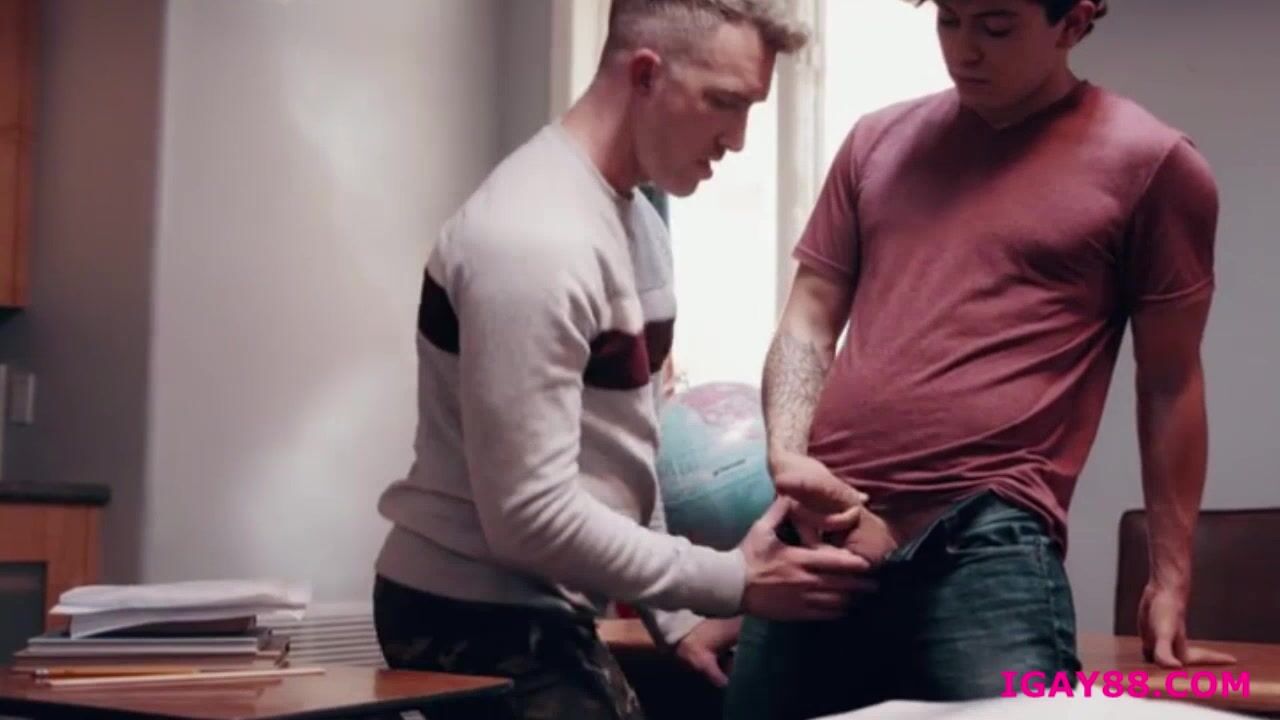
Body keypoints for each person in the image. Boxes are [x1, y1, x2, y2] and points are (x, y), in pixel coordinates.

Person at [726, 1, 1235, 718]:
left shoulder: (1153, 165)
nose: (964, 50)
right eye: (949, 21)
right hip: (824, 534)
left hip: (985, 541)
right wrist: (786, 455)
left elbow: (1170, 382)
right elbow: (808, 318)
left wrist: (1171, 578)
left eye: (996, 28)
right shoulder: (877, 141)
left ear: (1072, 24)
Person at [370, 2, 875, 718]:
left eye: (751, 108)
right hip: (462, 607)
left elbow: (627, 453)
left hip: (540, 602)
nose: (737, 139)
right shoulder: (534, 238)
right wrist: (732, 579)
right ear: (645, 75)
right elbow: (530, 518)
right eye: (725, 103)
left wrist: (677, 618)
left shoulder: (636, 222)